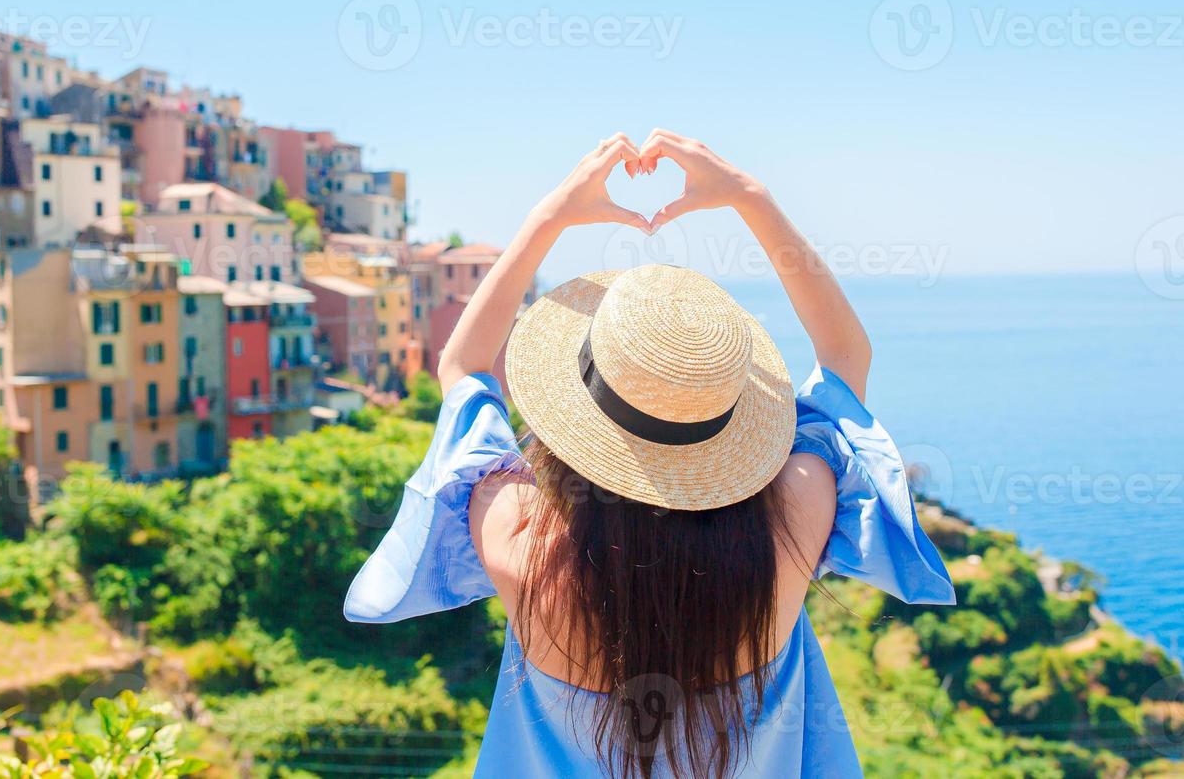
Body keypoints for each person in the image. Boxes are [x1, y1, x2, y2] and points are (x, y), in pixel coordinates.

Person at [345, 130, 955, 777]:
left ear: (573, 422)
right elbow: (844, 359)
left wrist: (548, 217)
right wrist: (752, 198)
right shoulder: (794, 524)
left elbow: (465, 369)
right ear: (729, 426)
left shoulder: (522, 544)